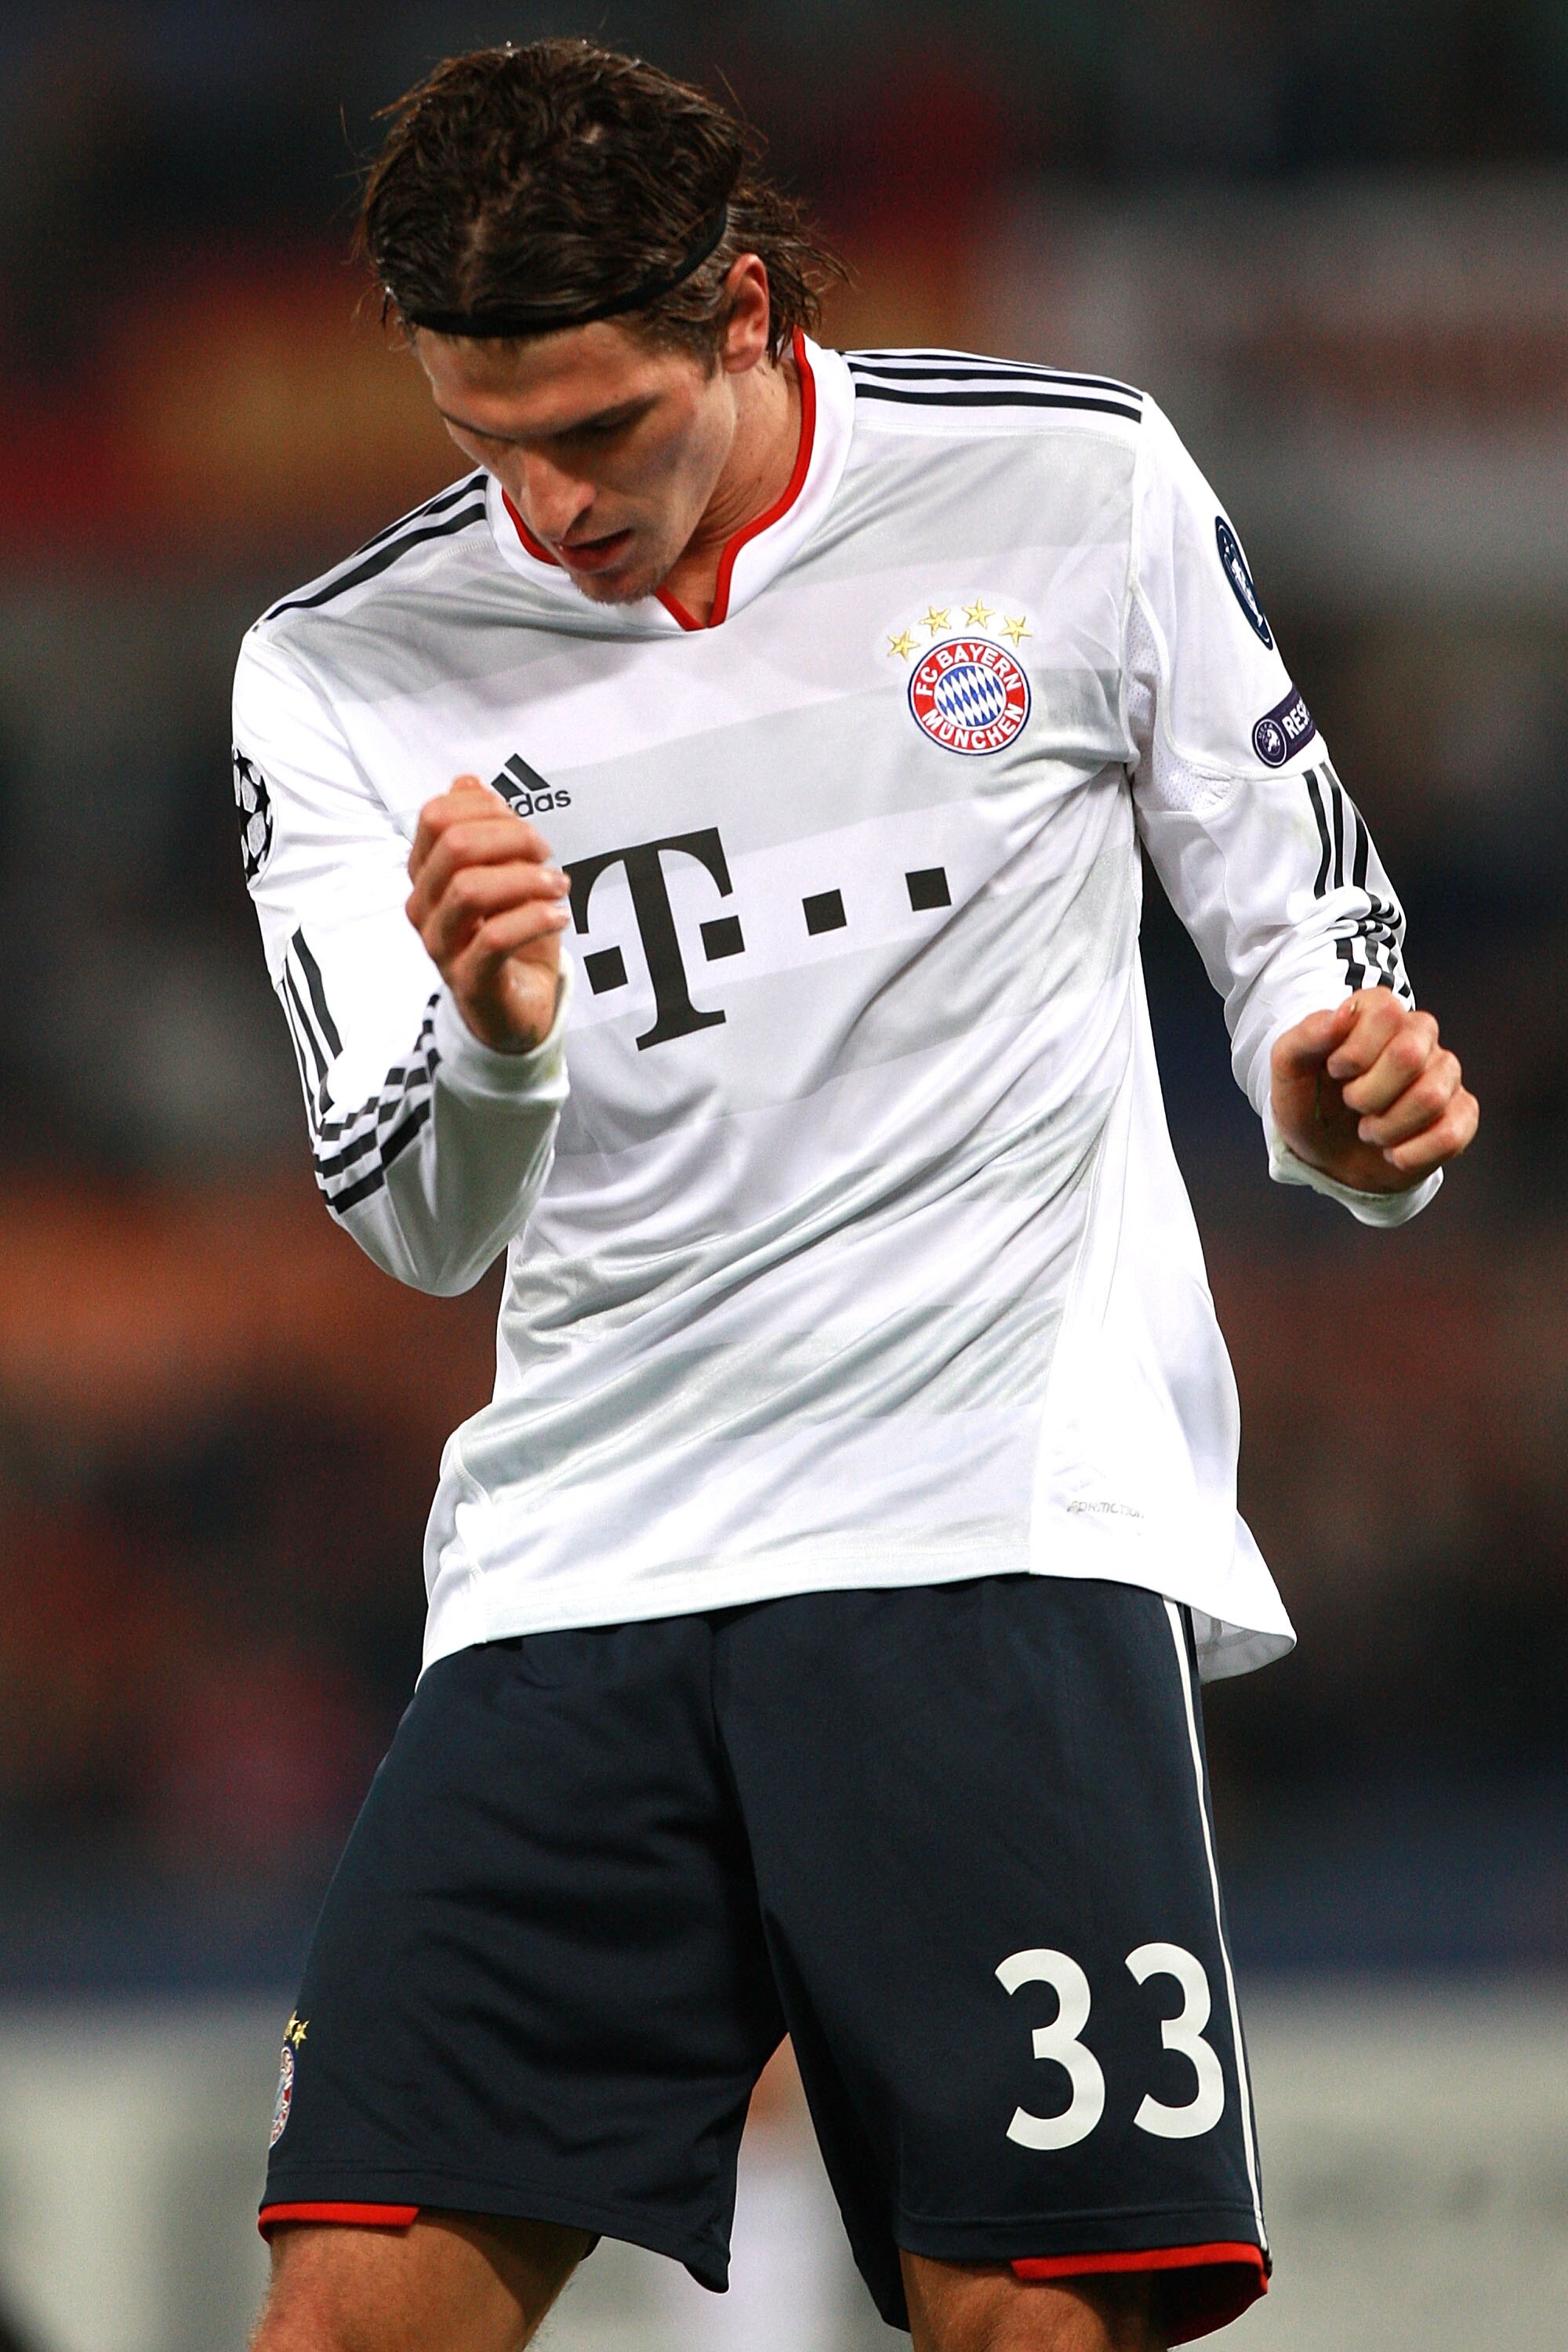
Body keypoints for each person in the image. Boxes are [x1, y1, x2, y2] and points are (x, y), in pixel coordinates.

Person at [235, 39, 1476, 2352]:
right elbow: (409, 1215)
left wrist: (1336, 1100)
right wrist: (500, 1033)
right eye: (481, 440)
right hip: (579, 1564)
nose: (551, 503)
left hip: (984, 1530)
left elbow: (1308, 932)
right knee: (345, 2311)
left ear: (739, 310)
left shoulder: (1070, 489)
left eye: (596, 430)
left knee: (1030, 2319)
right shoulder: (338, 670)